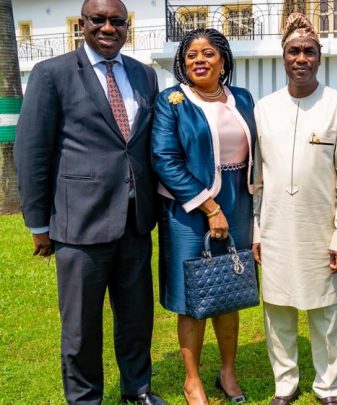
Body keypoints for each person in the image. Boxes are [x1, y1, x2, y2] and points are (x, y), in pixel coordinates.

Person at [13, 0, 164, 403]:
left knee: (136, 318)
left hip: (134, 220)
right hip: (79, 223)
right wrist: (38, 224)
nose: (108, 28)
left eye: (118, 21)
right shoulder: (52, 74)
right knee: (81, 325)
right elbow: (31, 152)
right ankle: (84, 398)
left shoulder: (144, 75)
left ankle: (138, 389)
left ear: (127, 26)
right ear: (82, 24)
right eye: (98, 20)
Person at [251, 13, 337, 405]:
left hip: (321, 228)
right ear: (283, 57)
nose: (301, 58)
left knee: (325, 312)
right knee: (278, 310)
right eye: (293, 51)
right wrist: (257, 231)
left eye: (309, 51)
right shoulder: (264, 108)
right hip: (275, 227)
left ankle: (328, 387)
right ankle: (286, 384)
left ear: (319, 57)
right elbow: (257, 178)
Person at [151, 28, 257, 405]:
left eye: (208, 53)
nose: (200, 60)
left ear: (223, 60)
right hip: (189, 208)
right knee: (193, 295)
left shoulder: (242, 97)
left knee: (229, 287)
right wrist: (210, 207)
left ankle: (228, 372)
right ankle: (192, 380)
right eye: (192, 55)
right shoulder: (172, 102)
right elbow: (164, 159)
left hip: (238, 203)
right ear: (183, 62)